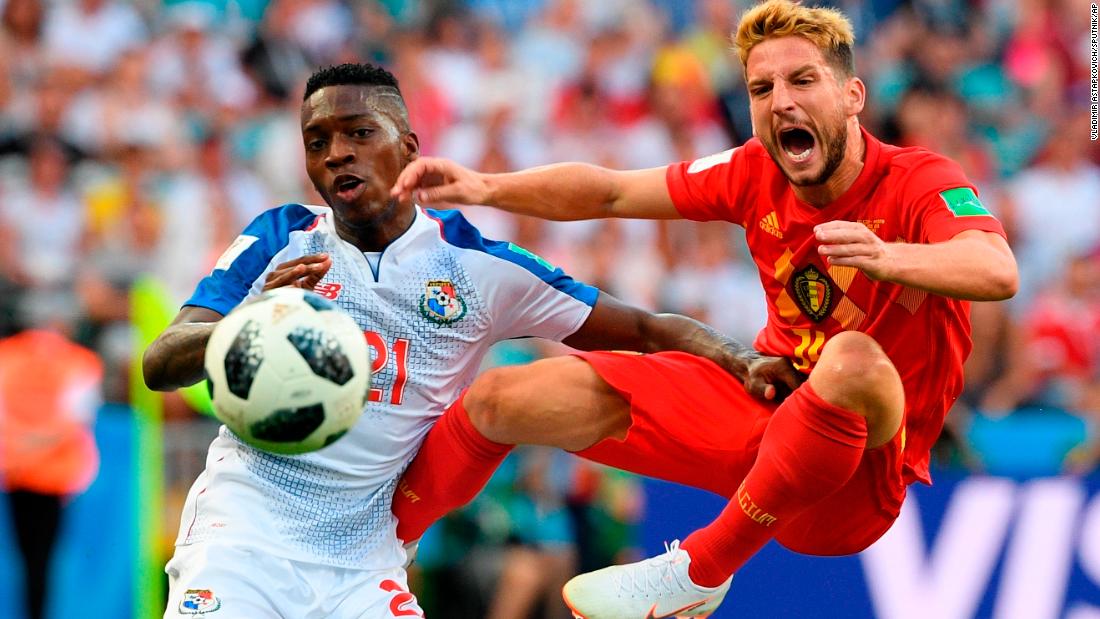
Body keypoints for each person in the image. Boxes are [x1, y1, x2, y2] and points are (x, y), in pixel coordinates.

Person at [388, 1, 1019, 616]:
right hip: (768, 411)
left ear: (852, 95)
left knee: (850, 361)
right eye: (762, 88)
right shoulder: (752, 170)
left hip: (856, 478)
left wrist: (890, 258)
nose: (782, 101)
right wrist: (484, 186)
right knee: (503, 397)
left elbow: (996, 269)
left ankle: (699, 570)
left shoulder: (918, 179)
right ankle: (377, 547)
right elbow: (611, 192)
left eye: (803, 80)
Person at [141, 62, 792, 618]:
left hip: (364, 559)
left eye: (359, 133)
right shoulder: (282, 235)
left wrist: (740, 357)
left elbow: (648, 328)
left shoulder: (478, 266)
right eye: (317, 140)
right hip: (241, 539)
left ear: (408, 147)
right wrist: (248, 324)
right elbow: (160, 363)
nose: (336, 152)